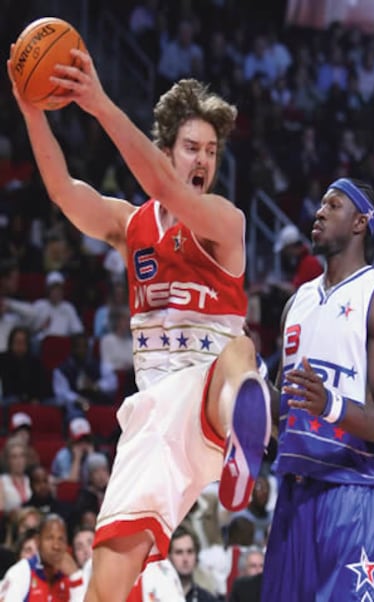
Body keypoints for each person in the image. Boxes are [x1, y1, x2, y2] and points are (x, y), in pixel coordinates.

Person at [7, 46, 271, 602]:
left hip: (209, 392)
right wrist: (31, 109)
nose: (202, 161)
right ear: (165, 151)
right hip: (154, 418)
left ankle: (242, 438)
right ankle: (239, 434)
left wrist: (99, 103)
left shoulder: (226, 221)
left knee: (240, 355)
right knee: (104, 586)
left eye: (212, 151)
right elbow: (62, 191)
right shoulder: (131, 227)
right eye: (191, 148)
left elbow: (169, 191)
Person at [261, 177, 374, 601]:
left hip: (350, 491)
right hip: (293, 491)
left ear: (361, 221)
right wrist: (247, 383)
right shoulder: (298, 302)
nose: (319, 212)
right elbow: (282, 411)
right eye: (320, 204)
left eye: (334, 204)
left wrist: (331, 405)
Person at [0, 513, 83, 601]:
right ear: (37, 541)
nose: (56, 546)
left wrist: (75, 577)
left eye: (61, 539)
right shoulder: (21, 572)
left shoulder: (73, 575)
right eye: (50, 538)